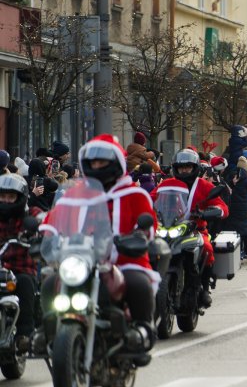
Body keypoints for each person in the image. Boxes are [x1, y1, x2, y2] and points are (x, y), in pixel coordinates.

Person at [38, 135, 158, 361]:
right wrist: (45, 236)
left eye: (102, 162)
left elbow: (148, 225)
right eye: (92, 163)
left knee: (137, 282)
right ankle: (47, 331)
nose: (96, 167)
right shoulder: (74, 195)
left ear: (116, 163)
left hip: (122, 260)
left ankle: (142, 331)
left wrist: (139, 236)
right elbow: (52, 221)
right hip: (80, 261)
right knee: (49, 283)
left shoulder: (134, 194)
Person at [152, 148, 228, 306]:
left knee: (207, 247)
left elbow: (221, 205)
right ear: (175, 168)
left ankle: (205, 288)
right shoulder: (167, 184)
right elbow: (151, 197)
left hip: (196, 229)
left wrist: (214, 211)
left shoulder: (204, 185)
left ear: (195, 168)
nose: (184, 170)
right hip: (169, 227)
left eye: (188, 167)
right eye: (181, 167)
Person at [0, 174, 40, 352]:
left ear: (20, 197)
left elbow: (45, 221)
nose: (6, 201)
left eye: (11, 197)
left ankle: (25, 334)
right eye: (2, 196)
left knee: (25, 282)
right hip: (0, 268)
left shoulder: (30, 213)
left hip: (21, 267)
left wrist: (39, 229)